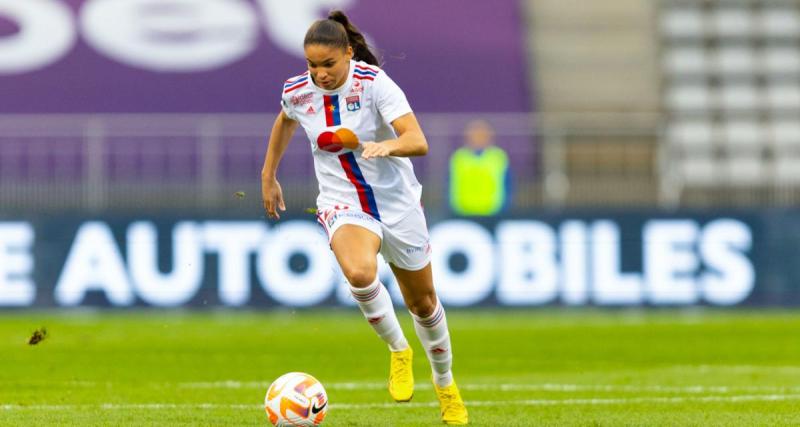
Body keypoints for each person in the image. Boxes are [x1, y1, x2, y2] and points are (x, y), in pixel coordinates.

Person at [260, 10, 468, 425]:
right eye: (312, 65)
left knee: (423, 302)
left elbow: (417, 140)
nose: (319, 74)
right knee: (358, 273)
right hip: (342, 202)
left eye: (328, 65)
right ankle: (398, 351)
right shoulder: (297, 91)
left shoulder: (374, 84)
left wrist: (386, 147)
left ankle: (445, 385)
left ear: (349, 54)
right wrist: (269, 175)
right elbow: (285, 119)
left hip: (397, 204)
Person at [448, 119, 511, 216]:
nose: (478, 138)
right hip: (463, 213)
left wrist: (504, 208)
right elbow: (449, 183)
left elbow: (508, 184)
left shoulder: (498, 157)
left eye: (482, 135)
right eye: (475, 135)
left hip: (493, 213)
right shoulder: (458, 157)